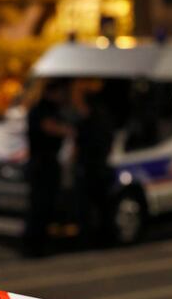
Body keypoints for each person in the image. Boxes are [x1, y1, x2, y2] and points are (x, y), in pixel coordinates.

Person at [23, 80, 74, 257]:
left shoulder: (50, 109)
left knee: (45, 206)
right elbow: (49, 127)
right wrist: (67, 130)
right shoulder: (41, 110)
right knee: (39, 206)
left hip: (46, 164)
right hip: (42, 164)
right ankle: (33, 246)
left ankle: (39, 244)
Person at [71, 80, 114, 247]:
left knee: (86, 207)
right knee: (103, 205)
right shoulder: (104, 116)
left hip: (89, 167)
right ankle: (105, 237)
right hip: (101, 166)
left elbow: (78, 146)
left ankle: (88, 240)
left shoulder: (86, 121)